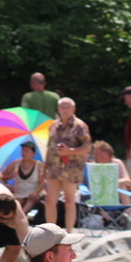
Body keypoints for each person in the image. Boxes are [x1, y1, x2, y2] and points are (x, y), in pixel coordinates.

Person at [44, 97, 91, 232]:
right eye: (62, 107)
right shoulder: (53, 125)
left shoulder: (79, 126)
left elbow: (87, 147)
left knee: (69, 202)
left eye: (67, 107)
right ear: (58, 110)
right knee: (49, 201)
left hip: (71, 169)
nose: (64, 110)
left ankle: (69, 232)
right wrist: (44, 168)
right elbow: (49, 148)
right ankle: (51, 232)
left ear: (73, 110)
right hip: (54, 169)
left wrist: (69, 151)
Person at [1, 141, 45, 213]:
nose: (24, 153)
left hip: (33, 193)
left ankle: (22, 215)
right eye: (23, 151)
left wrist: (35, 192)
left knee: (31, 199)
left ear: (33, 154)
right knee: (15, 202)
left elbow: (43, 183)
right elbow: (2, 177)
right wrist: (11, 176)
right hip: (20, 193)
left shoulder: (39, 165)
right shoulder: (15, 163)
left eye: (27, 151)